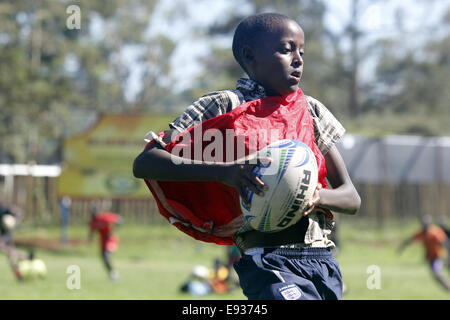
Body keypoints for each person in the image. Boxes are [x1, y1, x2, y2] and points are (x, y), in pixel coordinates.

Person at [133, 13, 360, 300]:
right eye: (286, 49)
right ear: (250, 55)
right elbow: (147, 162)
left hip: (322, 260)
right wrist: (224, 171)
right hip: (267, 259)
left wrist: (316, 196)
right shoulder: (224, 105)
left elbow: (351, 198)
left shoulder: (311, 111)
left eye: (302, 51)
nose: (298, 59)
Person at [398, 214, 450, 291]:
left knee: (437, 273)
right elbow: (410, 240)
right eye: (423, 223)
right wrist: (402, 247)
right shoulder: (421, 233)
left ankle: (448, 287)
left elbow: (444, 243)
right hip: (430, 258)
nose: (425, 225)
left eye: (426, 223)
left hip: (439, 257)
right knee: (436, 276)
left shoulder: (435, 232)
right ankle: (447, 287)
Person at [88, 205, 122, 282]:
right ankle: (112, 273)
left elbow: (119, 219)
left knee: (106, 256)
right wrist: (90, 238)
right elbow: (91, 231)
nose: (93, 214)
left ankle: (114, 274)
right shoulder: (93, 222)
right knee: (104, 258)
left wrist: (112, 232)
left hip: (111, 240)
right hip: (103, 241)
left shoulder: (104, 218)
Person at [0, 198, 28, 280]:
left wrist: (15, 221)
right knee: (11, 256)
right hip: (4, 236)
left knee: (10, 253)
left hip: (8, 235)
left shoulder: (6, 209)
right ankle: (26, 257)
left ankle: (26, 257)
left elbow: (20, 212)